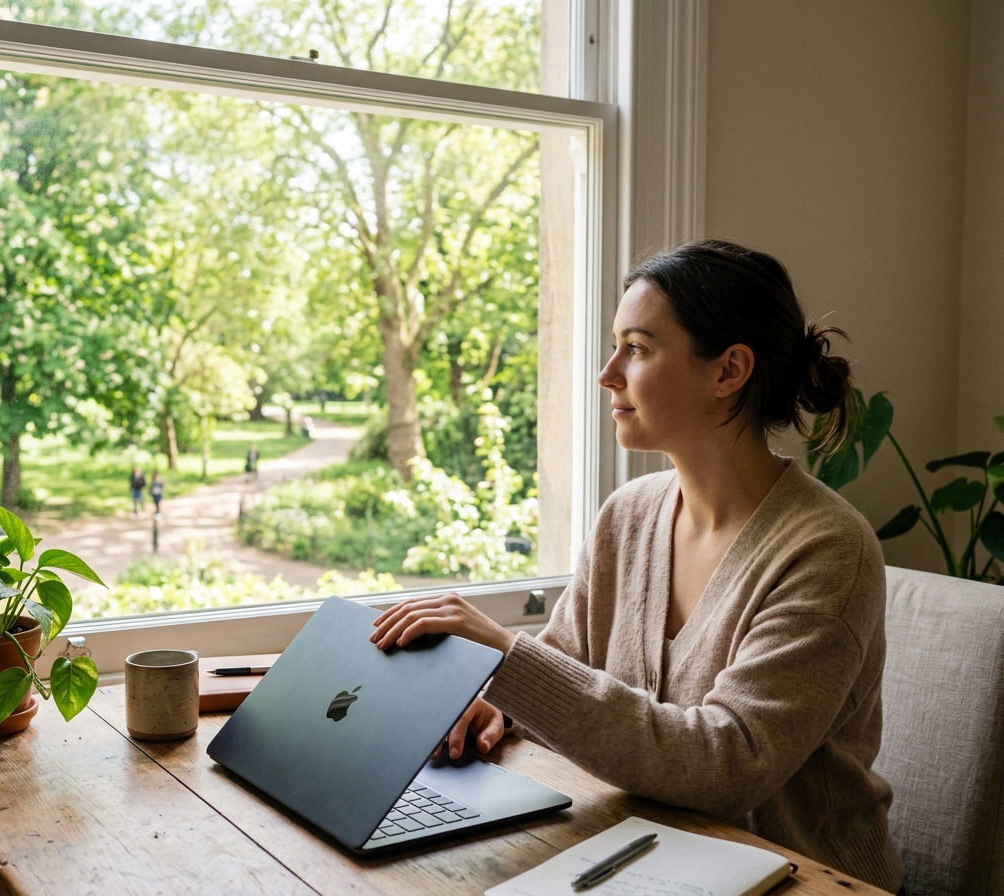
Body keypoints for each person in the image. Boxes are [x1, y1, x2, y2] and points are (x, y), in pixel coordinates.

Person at [369, 240, 904, 893]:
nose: (608, 373)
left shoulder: (826, 550)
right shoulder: (628, 515)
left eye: (639, 348)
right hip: (645, 859)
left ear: (728, 370)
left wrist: (508, 658)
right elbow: (566, 662)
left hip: (799, 878)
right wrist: (499, 708)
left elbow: (727, 767)